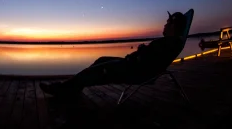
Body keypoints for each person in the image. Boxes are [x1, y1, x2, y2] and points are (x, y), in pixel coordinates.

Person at [39, 11, 187, 97]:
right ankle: (74, 88)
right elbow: (151, 57)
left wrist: (141, 51)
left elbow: (147, 61)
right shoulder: (169, 42)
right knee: (101, 59)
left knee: (95, 71)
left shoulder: (169, 42)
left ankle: (62, 89)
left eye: (167, 22)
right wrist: (142, 51)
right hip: (133, 65)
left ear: (174, 25)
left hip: (135, 70)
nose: (164, 25)